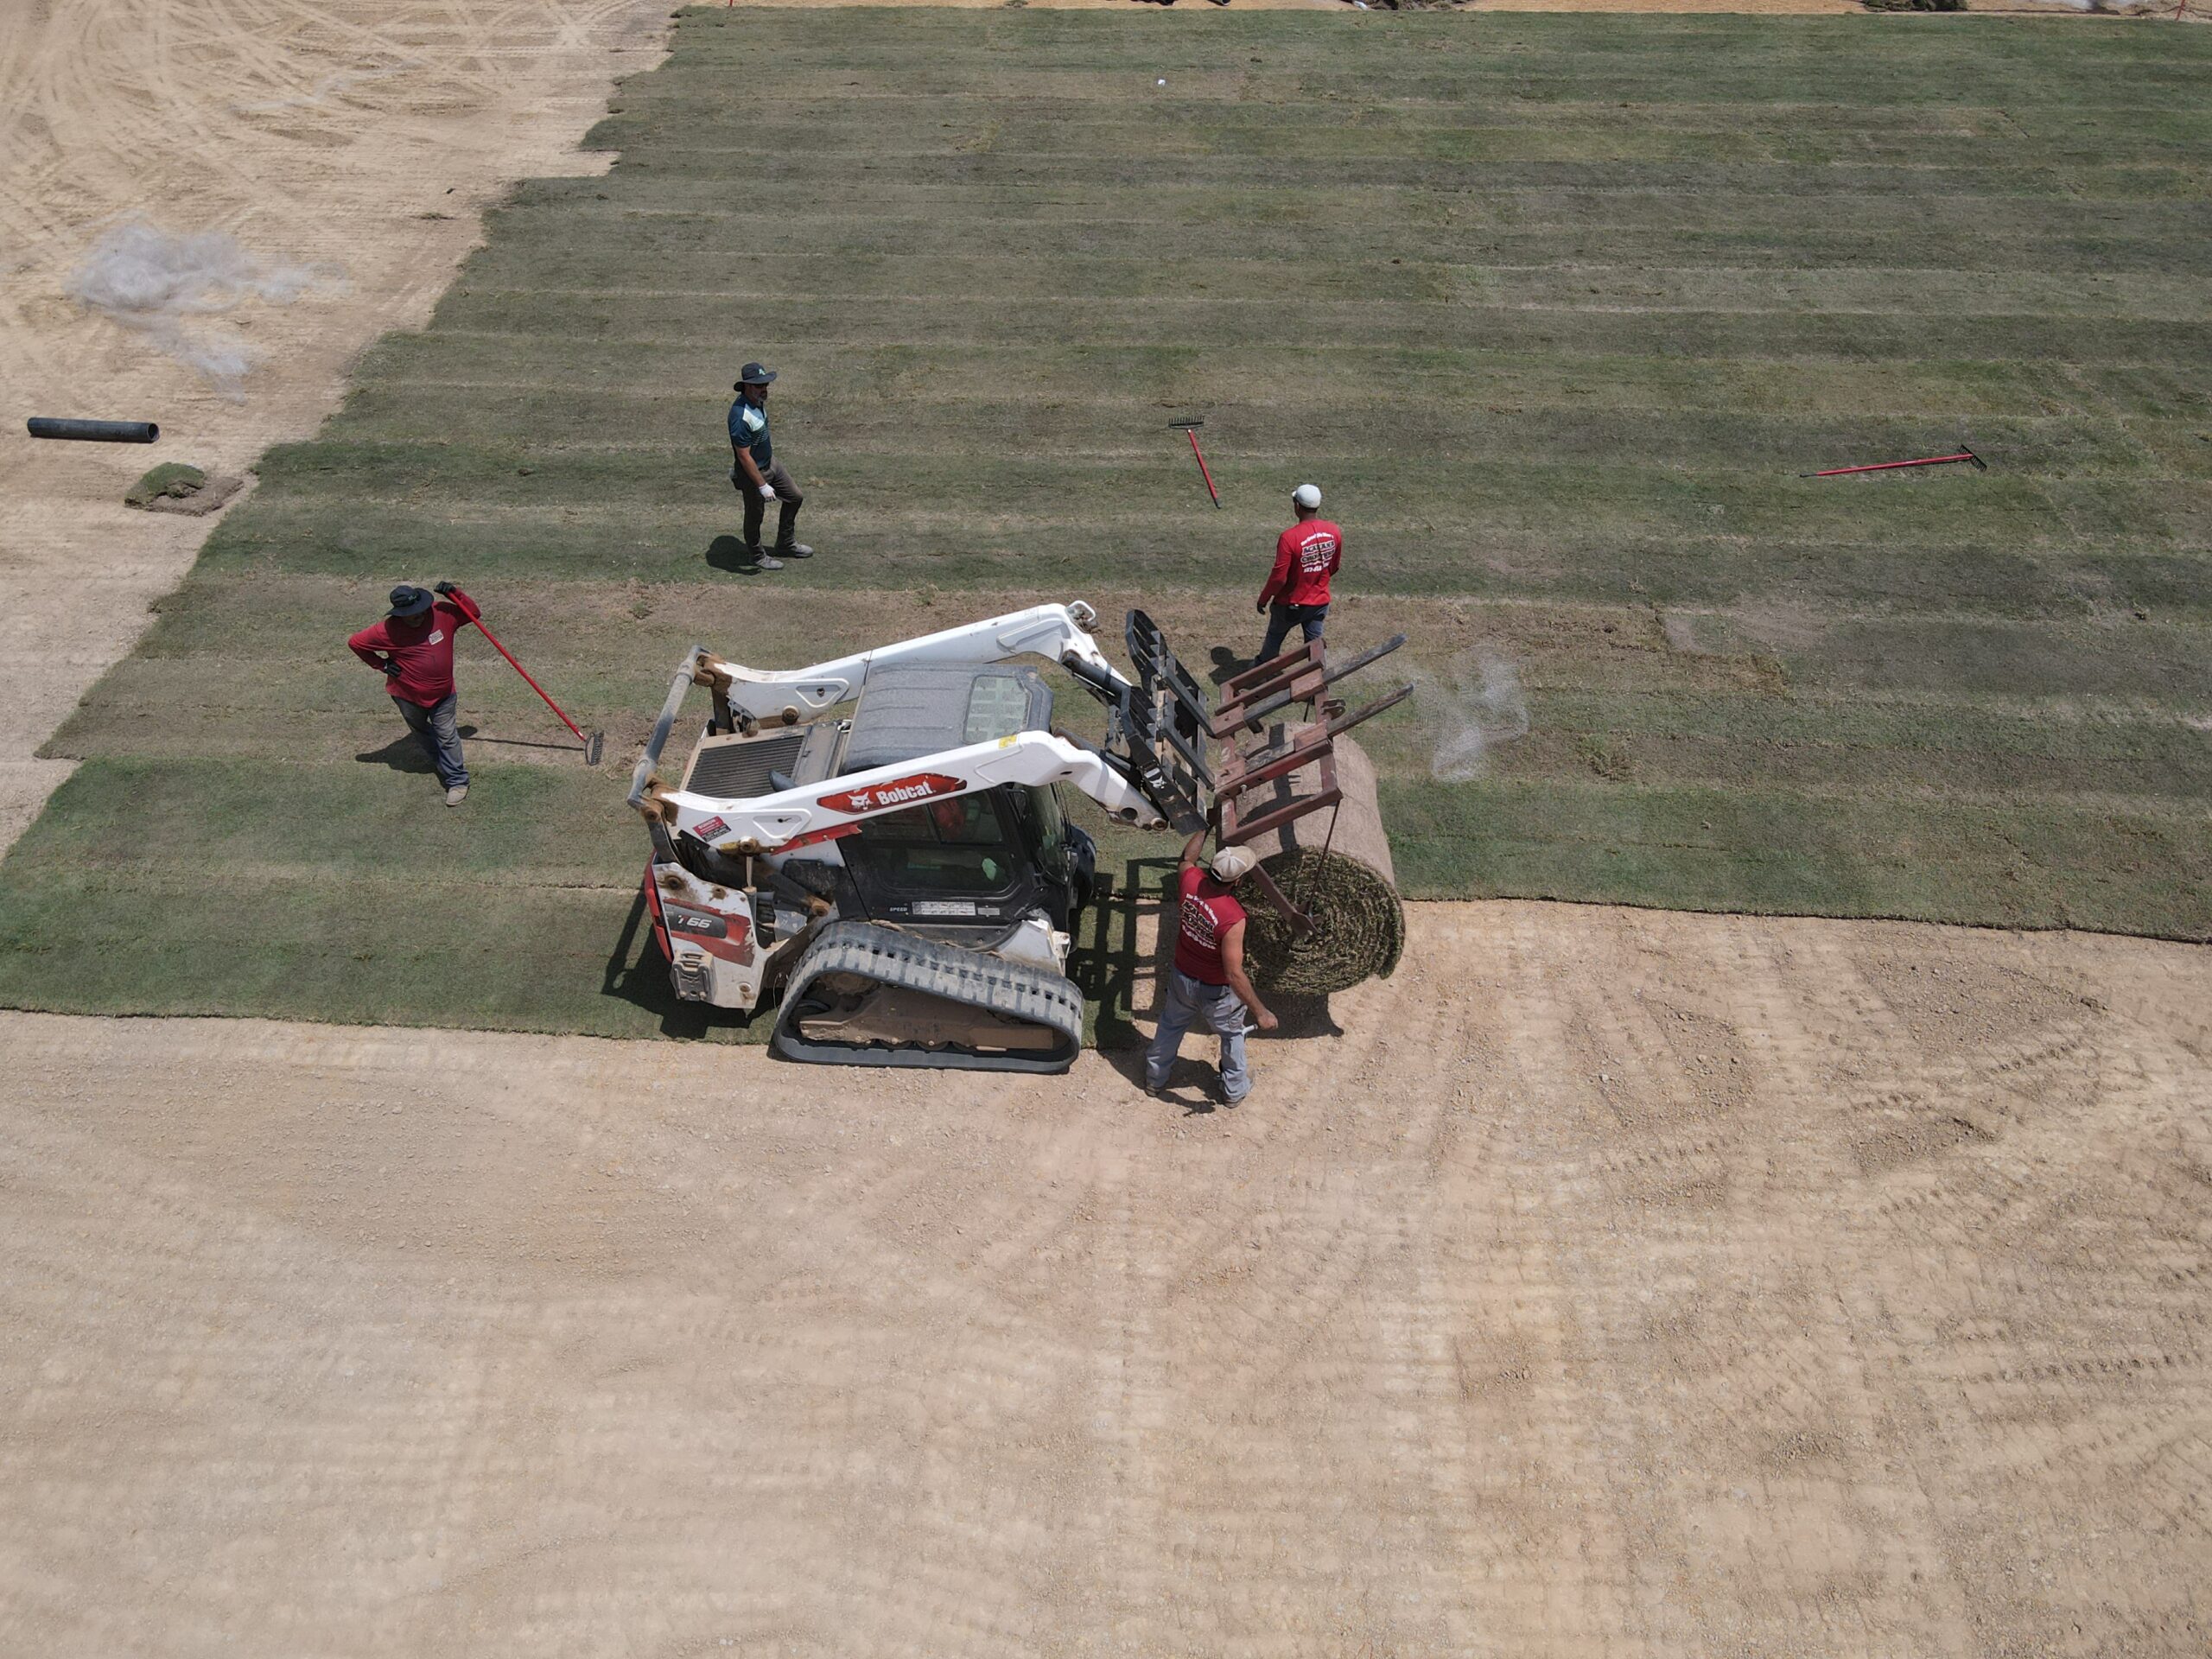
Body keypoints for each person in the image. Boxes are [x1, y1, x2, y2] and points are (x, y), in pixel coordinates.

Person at [1145, 825, 1279, 1103]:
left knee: (1170, 1025)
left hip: (1182, 977)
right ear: (1238, 882)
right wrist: (1261, 1011)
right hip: (1215, 992)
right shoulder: (1233, 917)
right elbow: (1233, 973)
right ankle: (1234, 1091)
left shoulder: (1190, 880)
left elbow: (1186, 859)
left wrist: (1203, 827)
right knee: (1232, 1035)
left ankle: (1154, 1080)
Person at [348, 581, 480, 806]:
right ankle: (441, 763)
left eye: (419, 610)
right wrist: (382, 665)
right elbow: (356, 643)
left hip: (444, 694)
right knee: (422, 732)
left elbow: (473, 614)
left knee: (447, 736)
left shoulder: (441, 613)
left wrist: (456, 594)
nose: (417, 616)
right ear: (399, 615)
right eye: (410, 614)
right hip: (407, 696)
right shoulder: (385, 631)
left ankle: (457, 781)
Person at [728, 360, 812, 570]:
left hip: (771, 464)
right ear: (747, 386)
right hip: (753, 473)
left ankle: (785, 542)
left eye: (766, 384)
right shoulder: (740, 416)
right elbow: (744, 456)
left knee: (795, 497)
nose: (764, 389)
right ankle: (756, 556)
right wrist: (762, 485)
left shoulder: (757, 402)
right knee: (755, 516)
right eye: (759, 385)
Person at [1254, 482, 1342, 664]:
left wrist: (1264, 599)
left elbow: (1279, 577)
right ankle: (1316, 681)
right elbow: (1333, 566)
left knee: (1274, 638)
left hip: (1290, 604)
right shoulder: (1334, 531)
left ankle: (1260, 675)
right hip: (1319, 600)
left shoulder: (1289, 537)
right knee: (1314, 646)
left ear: (1297, 506)